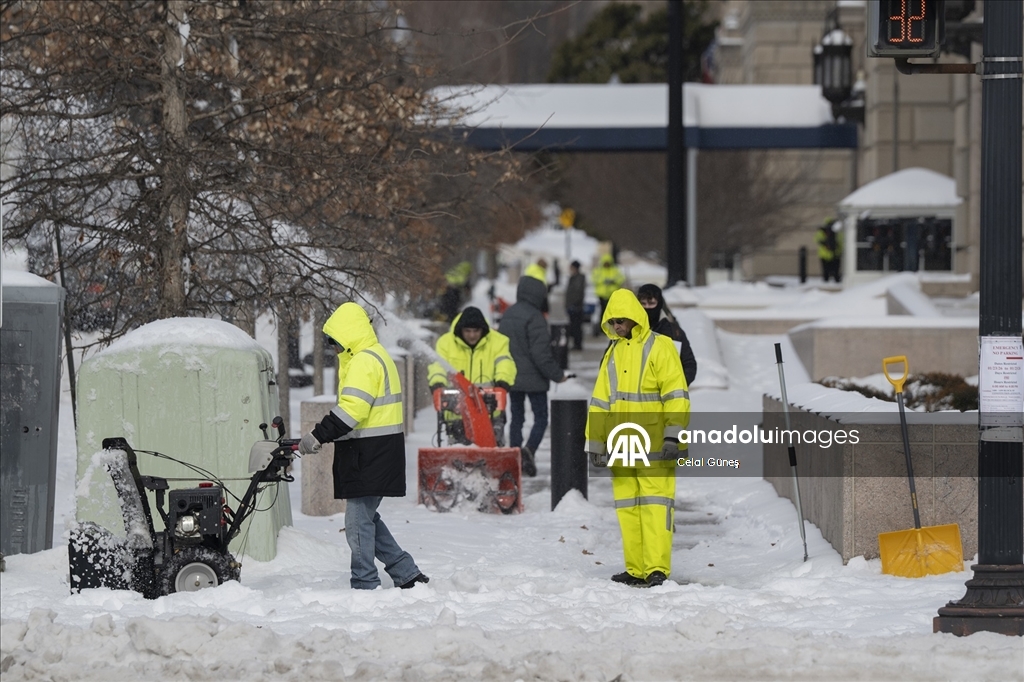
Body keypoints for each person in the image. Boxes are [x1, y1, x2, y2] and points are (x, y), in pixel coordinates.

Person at [299, 302, 429, 591]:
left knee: (357, 523)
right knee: (367, 518)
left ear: (347, 337)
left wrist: (317, 436)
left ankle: (364, 582)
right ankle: (405, 572)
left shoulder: (363, 362)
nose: (333, 348)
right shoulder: (374, 356)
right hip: (378, 452)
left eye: (335, 342)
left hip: (370, 454)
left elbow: (351, 413)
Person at [585, 289, 690, 588]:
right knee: (628, 508)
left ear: (635, 318)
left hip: (657, 444)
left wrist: (674, 437)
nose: (617, 326)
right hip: (623, 446)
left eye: (621, 320)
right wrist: (595, 443)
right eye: (613, 321)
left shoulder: (661, 346)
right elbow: (600, 401)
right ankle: (636, 569)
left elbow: (676, 395)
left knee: (656, 507)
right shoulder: (613, 352)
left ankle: (657, 568)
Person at [499, 275, 568, 477]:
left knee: (516, 418)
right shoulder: (535, 317)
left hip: (512, 376)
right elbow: (541, 354)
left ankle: (514, 455)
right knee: (541, 418)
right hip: (535, 380)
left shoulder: (508, 314)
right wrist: (557, 375)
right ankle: (529, 450)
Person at [427, 306, 517, 445]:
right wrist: (437, 384)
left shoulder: (498, 342)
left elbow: (505, 363)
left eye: (476, 331)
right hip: (457, 411)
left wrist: (502, 383)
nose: (472, 335)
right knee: (459, 456)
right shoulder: (446, 343)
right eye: (467, 331)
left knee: (491, 453)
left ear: (483, 330)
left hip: (489, 411)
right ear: (460, 330)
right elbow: (437, 367)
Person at [637, 283, 697, 387]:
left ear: (659, 303)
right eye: (643, 303)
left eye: (651, 303)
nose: (647, 307)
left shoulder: (673, 332)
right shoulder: (629, 330)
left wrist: (677, 386)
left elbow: (689, 364)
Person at [592, 253, 625, 336]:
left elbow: (621, 278)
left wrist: (612, 281)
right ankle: (602, 327)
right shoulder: (599, 270)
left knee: (611, 313)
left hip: (612, 295)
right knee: (603, 312)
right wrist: (604, 281)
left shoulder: (614, 270)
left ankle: (611, 327)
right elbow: (594, 279)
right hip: (602, 295)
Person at [565, 260, 586, 351]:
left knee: (576, 326)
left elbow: (577, 293)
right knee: (573, 326)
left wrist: (574, 304)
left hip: (576, 307)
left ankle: (578, 344)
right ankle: (576, 343)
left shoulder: (578, 278)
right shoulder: (573, 278)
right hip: (572, 306)